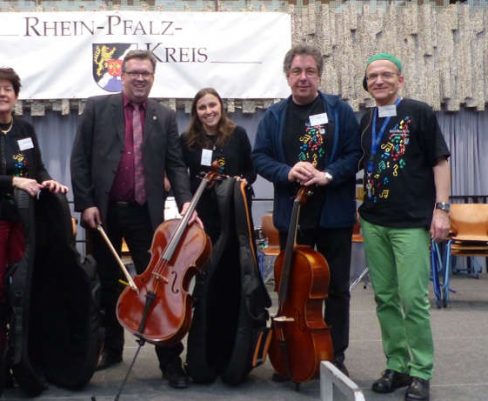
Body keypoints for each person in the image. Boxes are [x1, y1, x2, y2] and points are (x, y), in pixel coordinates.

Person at [70, 49, 196, 389]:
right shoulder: (97, 109)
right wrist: (85, 203)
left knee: (157, 289)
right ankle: (110, 349)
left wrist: (185, 201)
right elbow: (79, 158)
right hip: (105, 212)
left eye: (146, 73)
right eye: (133, 72)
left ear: (153, 78)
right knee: (107, 285)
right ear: (121, 76)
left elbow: (175, 164)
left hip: (147, 215)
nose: (140, 78)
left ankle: (170, 361)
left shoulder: (164, 116)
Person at [251, 44, 361, 376]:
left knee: (337, 290)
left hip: (334, 216)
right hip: (293, 215)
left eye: (309, 71)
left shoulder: (340, 110)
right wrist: (287, 172)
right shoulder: (273, 116)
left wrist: (327, 175)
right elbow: (260, 157)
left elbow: (355, 154)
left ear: (319, 74)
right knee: (291, 289)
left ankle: (334, 354)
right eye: (297, 71)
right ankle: (293, 348)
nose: (303, 78)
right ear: (287, 76)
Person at [359, 53, 450, 401]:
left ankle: (421, 371)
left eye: (386, 75)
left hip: (411, 222)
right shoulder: (365, 119)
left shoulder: (419, 112)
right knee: (384, 298)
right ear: (367, 85)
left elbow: (439, 162)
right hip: (373, 221)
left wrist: (441, 209)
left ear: (400, 79)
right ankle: (397, 365)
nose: (378, 81)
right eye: (372, 77)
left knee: (413, 299)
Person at [0, 66, 67, 310]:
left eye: (8, 89)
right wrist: (13, 181)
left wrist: (48, 180)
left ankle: (19, 341)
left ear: (16, 95)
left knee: (23, 280)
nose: (2, 94)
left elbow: (37, 168)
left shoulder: (25, 128)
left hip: (22, 217)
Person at [180, 87, 256, 239]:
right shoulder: (187, 139)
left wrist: (244, 181)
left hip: (233, 207)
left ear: (221, 106)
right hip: (203, 209)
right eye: (202, 107)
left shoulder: (238, 133)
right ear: (196, 112)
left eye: (212, 105)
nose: (208, 111)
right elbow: (180, 174)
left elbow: (251, 169)